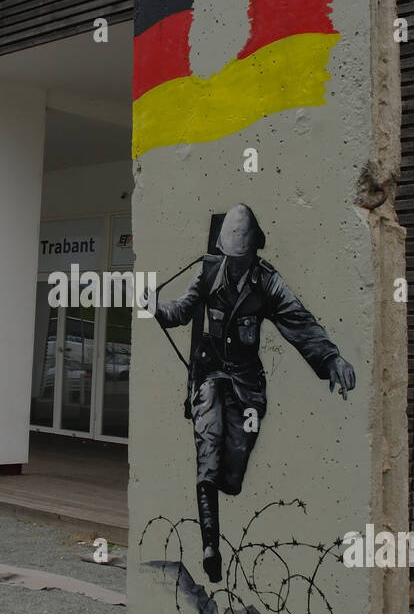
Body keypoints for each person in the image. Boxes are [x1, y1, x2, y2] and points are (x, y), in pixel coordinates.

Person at [147, 204, 356, 584]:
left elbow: (299, 321)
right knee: (207, 452)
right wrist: (155, 309)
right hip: (210, 373)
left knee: (233, 472)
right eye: (232, 257)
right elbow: (181, 310)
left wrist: (331, 358)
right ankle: (211, 546)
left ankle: (225, 481)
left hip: (246, 385)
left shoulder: (268, 283)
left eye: (242, 258)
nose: (236, 265)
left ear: (253, 252)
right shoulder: (209, 271)